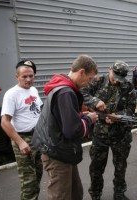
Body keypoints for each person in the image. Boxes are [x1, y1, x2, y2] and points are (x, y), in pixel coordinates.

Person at [32, 55, 98, 200]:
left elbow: (61, 119)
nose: (88, 83)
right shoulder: (66, 92)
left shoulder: (61, 88)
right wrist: (88, 119)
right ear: (81, 72)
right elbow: (72, 130)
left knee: (75, 193)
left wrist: (78, 115)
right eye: (89, 78)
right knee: (60, 196)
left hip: (60, 150)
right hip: (58, 154)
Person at [81, 60, 137, 200]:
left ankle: (119, 193)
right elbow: (82, 93)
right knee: (96, 167)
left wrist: (119, 116)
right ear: (109, 69)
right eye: (115, 76)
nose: (117, 81)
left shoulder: (128, 85)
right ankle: (95, 194)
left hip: (120, 134)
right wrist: (95, 102)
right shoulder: (98, 81)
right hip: (100, 133)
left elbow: (131, 108)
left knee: (120, 166)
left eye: (120, 79)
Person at [1, 60, 43, 200]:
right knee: (28, 182)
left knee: (38, 175)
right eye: (24, 76)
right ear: (17, 77)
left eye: (31, 76)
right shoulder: (11, 94)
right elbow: (5, 122)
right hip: (23, 139)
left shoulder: (34, 90)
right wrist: (20, 142)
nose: (28, 79)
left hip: (37, 138)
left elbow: (38, 112)